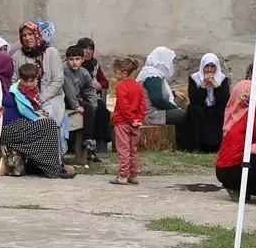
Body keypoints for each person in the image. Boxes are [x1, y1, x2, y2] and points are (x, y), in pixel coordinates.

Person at [0, 52, 75, 179]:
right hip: (5, 128)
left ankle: (44, 166)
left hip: (16, 124)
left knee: (47, 124)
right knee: (48, 126)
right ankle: (54, 169)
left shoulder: (5, 83)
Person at [214, 73, 256, 202]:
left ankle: (236, 188)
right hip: (238, 169)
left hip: (221, 170)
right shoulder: (253, 113)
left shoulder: (232, 114)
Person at [10, 19, 66, 129]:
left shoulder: (51, 53)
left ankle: (51, 145)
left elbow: (58, 80)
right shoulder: (17, 56)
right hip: (25, 98)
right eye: (24, 35)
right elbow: (13, 81)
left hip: (50, 97)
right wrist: (26, 97)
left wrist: (41, 98)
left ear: (37, 34)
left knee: (48, 118)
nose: (27, 38)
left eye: (30, 34)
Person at [185, 53, 230, 152]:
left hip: (216, 109)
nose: (209, 70)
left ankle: (217, 144)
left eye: (212, 66)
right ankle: (196, 145)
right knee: (194, 109)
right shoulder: (194, 78)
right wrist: (203, 84)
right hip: (202, 108)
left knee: (222, 110)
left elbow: (224, 99)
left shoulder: (223, 79)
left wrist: (214, 83)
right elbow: (194, 99)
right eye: (207, 66)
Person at [112, 57, 146, 185]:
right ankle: (134, 175)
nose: (114, 75)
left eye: (116, 72)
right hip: (135, 123)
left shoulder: (120, 86)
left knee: (123, 149)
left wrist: (130, 119)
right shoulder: (137, 86)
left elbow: (123, 106)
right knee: (133, 150)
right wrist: (139, 118)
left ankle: (123, 176)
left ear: (123, 73)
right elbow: (142, 103)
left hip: (123, 122)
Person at [63, 45, 99, 163]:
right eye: (71, 59)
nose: (74, 62)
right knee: (87, 108)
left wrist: (94, 104)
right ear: (66, 60)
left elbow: (89, 89)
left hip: (75, 99)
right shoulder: (64, 70)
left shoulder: (84, 73)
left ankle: (88, 140)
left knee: (92, 108)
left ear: (83, 60)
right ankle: (87, 138)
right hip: (64, 99)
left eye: (77, 59)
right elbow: (68, 89)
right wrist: (76, 106)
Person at [75, 38, 110, 156]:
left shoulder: (94, 64)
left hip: (92, 97)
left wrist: (99, 85)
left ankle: (101, 142)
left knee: (102, 110)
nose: (88, 51)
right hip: (78, 97)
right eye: (85, 48)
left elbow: (105, 82)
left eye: (90, 49)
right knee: (92, 108)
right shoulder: (74, 63)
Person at [138, 47, 186, 131]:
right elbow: (157, 100)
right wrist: (174, 108)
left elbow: (154, 92)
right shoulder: (152, 76)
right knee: (185, 115)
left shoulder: (152, 73)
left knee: (184, 107)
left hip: (153, 112)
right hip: (151, 115)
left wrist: (173, 93)